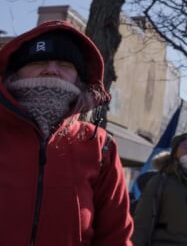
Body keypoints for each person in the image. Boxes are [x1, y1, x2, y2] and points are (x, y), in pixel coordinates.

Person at [0, 20, 134, 245]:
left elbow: (116, 236)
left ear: (78, 79)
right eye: (39, 60)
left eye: (64, 64)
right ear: (15, 72)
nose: (52, 69)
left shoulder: (100, 146)